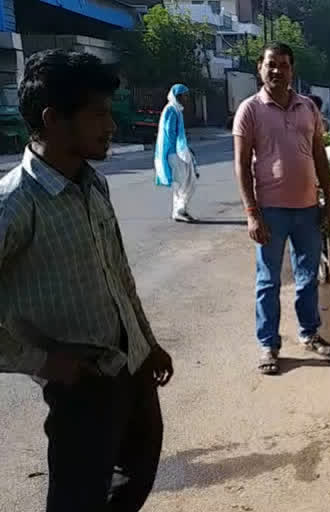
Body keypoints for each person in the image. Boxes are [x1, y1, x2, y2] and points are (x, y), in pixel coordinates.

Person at [0, 49, 173, 511]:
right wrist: (41, 361)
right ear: (54, 120)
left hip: (131, 366)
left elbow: (117, 270)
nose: (111, 125)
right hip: (82, 386)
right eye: (98, 114)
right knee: (77, 498)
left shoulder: (93, 183)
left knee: (136, 475)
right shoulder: (15, 205)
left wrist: (147, 341)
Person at [233, 42, 330, 375]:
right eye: (271, 64)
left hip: (308, 209)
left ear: (292, 70)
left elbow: (319, 157)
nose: (277, 70)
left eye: (283, 65)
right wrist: (251, 212)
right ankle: (269, 345)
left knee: (307, 278)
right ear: (260, 68)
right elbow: (240, 165)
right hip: (270, 212)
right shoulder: (250, 110)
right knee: (268, 281)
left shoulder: (308, 108)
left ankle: (310, 334)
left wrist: (329, 202)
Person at [154, 83, 197, 223]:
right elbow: (170, 133)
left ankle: (180, 210)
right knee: (182, 183)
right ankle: (179, 211)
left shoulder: (176, 110)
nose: (187, 98)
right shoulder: (171, 110)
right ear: (178, 96)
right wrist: (181, 150)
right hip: (174, 153)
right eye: (184, 95)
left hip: (179, 151)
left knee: (187, 181)